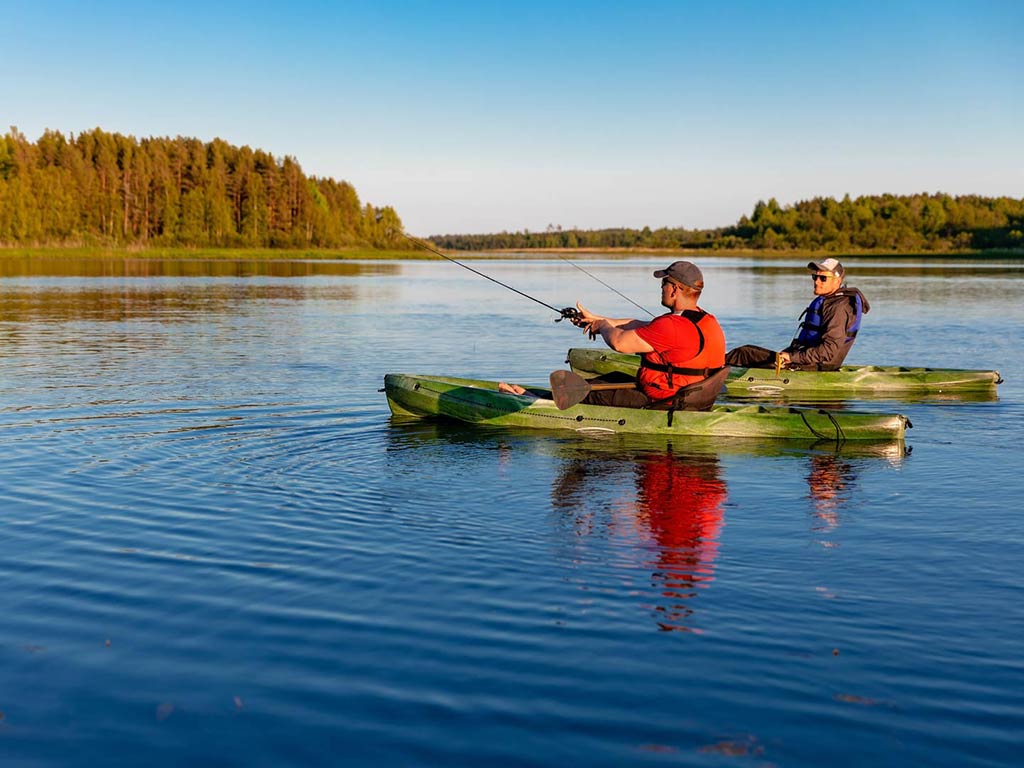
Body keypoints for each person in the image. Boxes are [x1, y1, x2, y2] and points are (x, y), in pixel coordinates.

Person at [534, 260, 726, 410]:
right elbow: (636, 325)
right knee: (613, 377)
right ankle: (535, 395)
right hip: (689, 398)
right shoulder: (704, 320)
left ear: (675, 289)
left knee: (591, 393)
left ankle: (529, 399)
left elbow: (619, 343)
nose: (661, 287)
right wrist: (595, 320)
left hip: (664, 401)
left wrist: (602, 325)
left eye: (664, 282)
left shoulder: (672, 326)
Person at [724, 257, 869, 371]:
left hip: (817, 366)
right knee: (748, 352)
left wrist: (792, 357)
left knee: (743, 353)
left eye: (823, 278)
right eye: (815, 277)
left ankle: (707, 372)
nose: (817, 282)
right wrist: (788, 354)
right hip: (807, 361)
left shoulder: (838, 308)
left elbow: (828, 351)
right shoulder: (829, 301)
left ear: (837, 281)